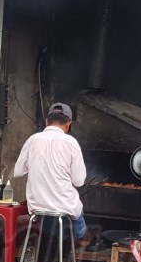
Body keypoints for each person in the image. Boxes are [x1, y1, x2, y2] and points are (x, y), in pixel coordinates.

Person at [13, 102, 89, 242]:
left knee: (52, 230)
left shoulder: (33, 140)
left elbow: (18, 172)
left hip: (38, 211)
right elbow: (78, 181)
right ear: (68, 124)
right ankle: (68, 243)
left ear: (46, 121)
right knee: (80, 232)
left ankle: (54, 241)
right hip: (65, 212)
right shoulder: (71, 142)